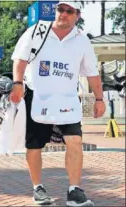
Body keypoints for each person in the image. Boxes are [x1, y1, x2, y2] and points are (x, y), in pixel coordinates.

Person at [10, 2, 105, 206]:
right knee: (35, 145)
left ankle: (74, 191)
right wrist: (17, 83)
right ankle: (38, 188)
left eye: (69, 11)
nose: (63, 14)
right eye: (60, 9)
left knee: (75, 141)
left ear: (77, 16)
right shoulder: (37, 31)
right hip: (37, 97)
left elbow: (92, 73)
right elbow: (20, 58)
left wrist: (99, 99)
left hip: (67, 99)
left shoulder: (82, 41)